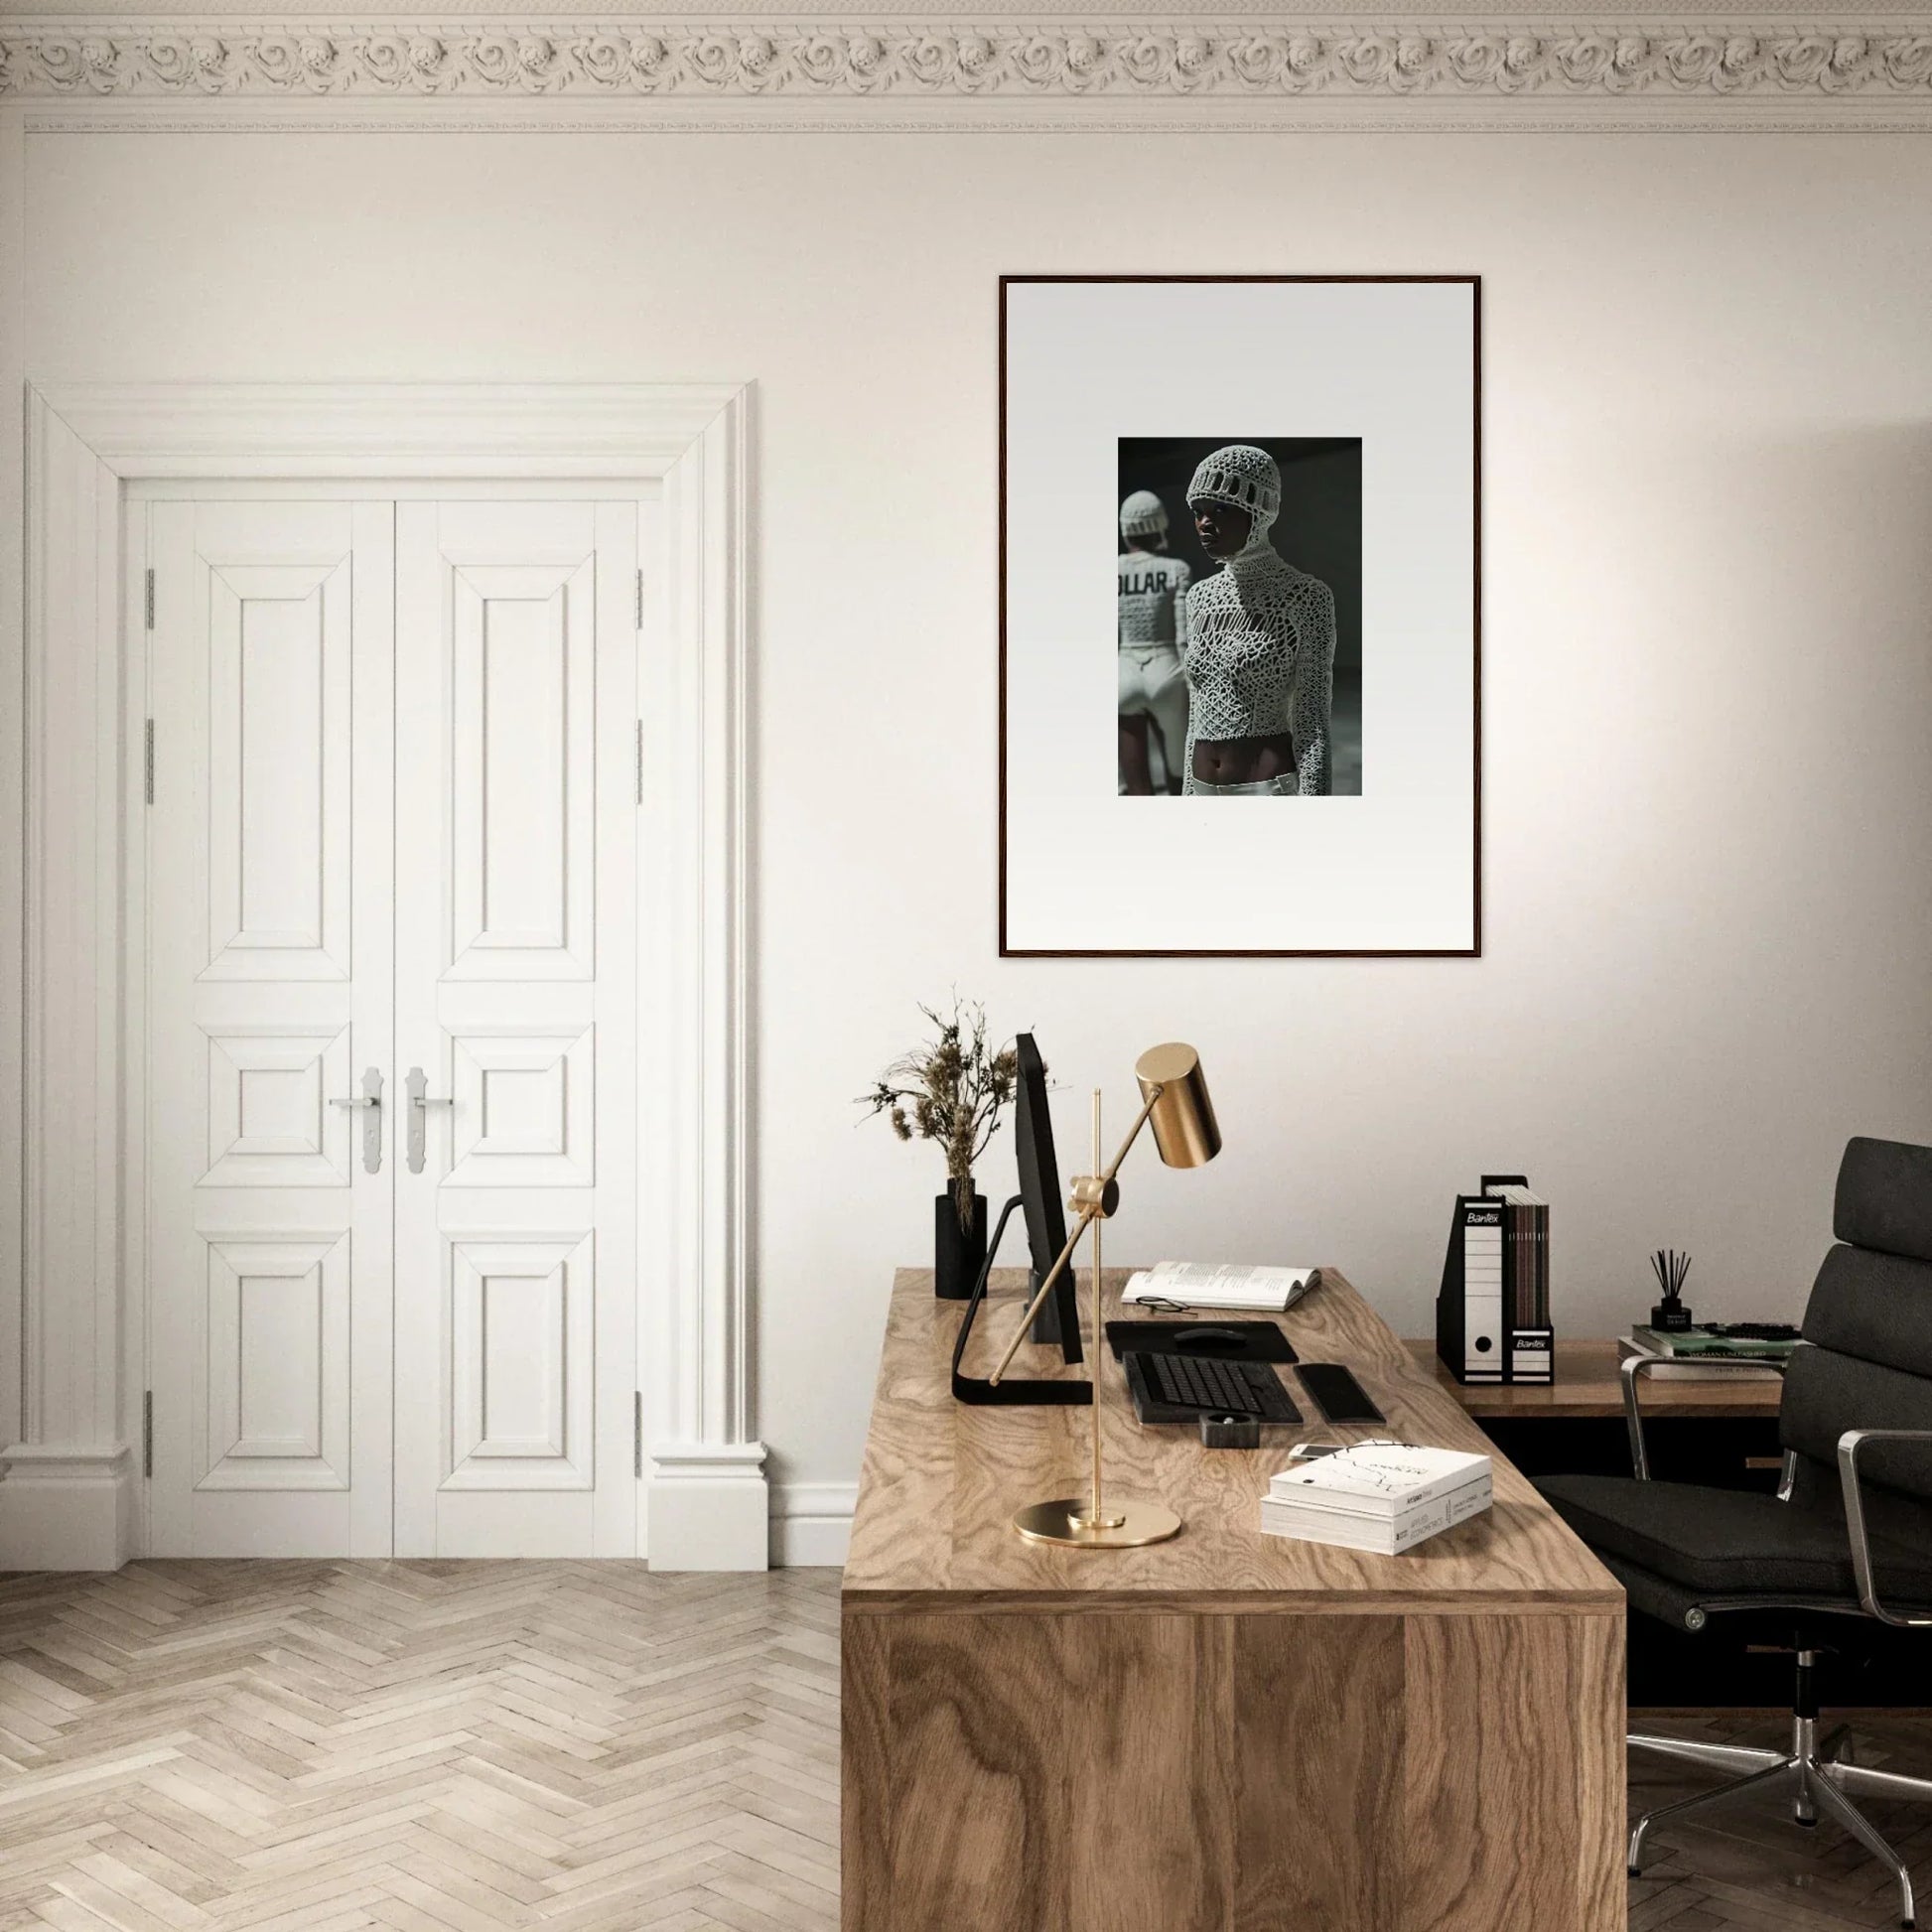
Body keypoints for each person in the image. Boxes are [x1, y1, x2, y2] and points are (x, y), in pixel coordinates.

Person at [1179, 445, 1335, 796]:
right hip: (1202, 786)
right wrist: (1187, 792)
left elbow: (1312, 722)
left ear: (1259, 511)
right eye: (1198, 511)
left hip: (1265, 788)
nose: (1205, 522)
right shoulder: (1198, 598)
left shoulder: (1305, 597)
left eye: (1221, 508)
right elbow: (1196, 713)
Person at [1115, 489, 1191, 795]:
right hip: (1167, 669)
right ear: (1159, 524)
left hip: (1124, 670)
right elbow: (1183, 634)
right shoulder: (1176, 569)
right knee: (1179, 773)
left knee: (1137, 787)